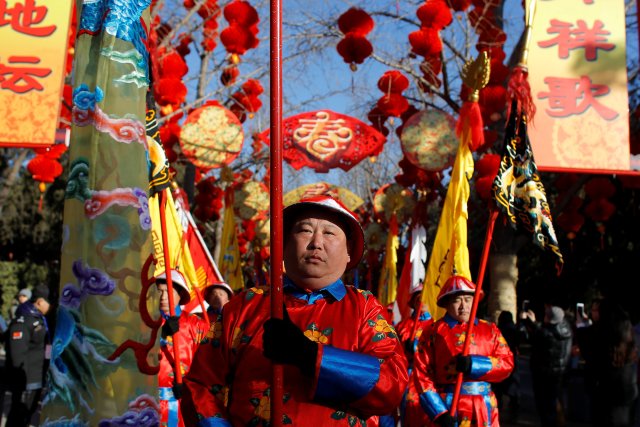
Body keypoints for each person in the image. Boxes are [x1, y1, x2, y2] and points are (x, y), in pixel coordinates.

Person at [181, 195, 408, 426]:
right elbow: (202, 384)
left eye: (329, 233)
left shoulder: (364, 307)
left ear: (349, 251)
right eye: (305, 231)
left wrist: (309, 355)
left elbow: (392, 385)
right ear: (284, 244)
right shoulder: (246, 305)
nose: (316, 243)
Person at [410, 275, 514, 427]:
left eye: (468, 299)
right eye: (457, 300)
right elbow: (422, 375)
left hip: (484, 406)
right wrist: (438, 412)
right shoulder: (432, 332)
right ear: (446, 303)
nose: (463, 306)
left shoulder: (490, 330)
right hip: (449, 405)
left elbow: (507, 363)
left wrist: (475, 364)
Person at [157, 269, 209, 427]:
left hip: (185, 403)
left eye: (168, 291)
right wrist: (161, 334)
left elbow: (207, 366)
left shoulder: (197, 325)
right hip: (150, 403)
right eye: (159, 292)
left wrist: (188, 386)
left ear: (180, 294)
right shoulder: (146, 323)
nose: (163, 297)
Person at [578, 299, 638, 427]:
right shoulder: (627, 334)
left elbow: (588, 353)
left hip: (605, 396)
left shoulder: (600, 336)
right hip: (627, 392)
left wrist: (581, 327)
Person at [5, 284, 51, 427]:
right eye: (49, 302)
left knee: (27, 417)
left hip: (37, 378)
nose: (51, 305)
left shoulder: (41, 320)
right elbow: (17, 354)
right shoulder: (23, 321)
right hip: (26, 381)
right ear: (40, 302)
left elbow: (46, 345)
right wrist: (21, 382)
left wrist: (48, 365)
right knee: (17, 417)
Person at [520, 305, 572, 427]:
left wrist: (526, 321)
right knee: (554, 403)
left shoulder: (547, 335)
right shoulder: (565, 329)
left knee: (545, 406)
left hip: (544, 373)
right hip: (559, 372)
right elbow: (544, 331)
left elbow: (537, 336)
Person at [395, 288, 433, 427]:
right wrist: (406, 348)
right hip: (409, 376)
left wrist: (417, 347)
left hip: (430, 379)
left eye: (425, 298)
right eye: (418, 299)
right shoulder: (402, 326)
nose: (422, 302)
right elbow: (394, 353)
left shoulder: (437, 326)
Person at [494, 310, 522, 418]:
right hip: (512, 360)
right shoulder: (514, 329)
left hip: (499, 360)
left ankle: (498, 409)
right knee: (513, 387)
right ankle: (514, 411)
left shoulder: (498, 329)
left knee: (498, 388)